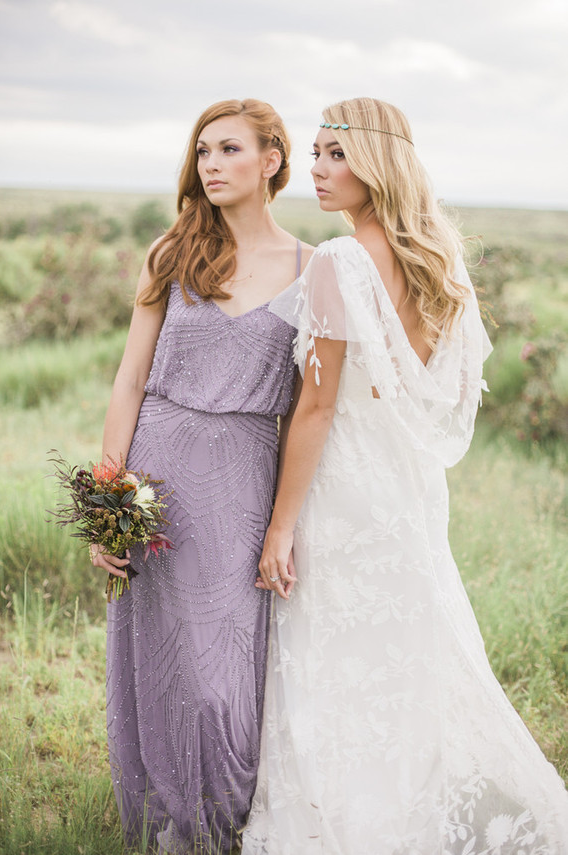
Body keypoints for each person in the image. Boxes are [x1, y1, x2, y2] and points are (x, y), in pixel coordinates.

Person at [242, 97, 568, 854]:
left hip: (340, 496)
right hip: (410, 494)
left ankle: (344, 823)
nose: (318, 171)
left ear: (378, 164)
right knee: (410, 656)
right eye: (316, 153)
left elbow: (316, 409)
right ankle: (411, 813)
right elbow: (453, 396)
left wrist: (281, 525)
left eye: (336, 155)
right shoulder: (439, 259)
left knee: (331, 660)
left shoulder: (339, 260)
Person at [89, 98, 312, 854]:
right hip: (159, 472)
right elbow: (128, 382)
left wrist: (286, 521)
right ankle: (173, 824)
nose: (211, 165)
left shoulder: (313, 268)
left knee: (223, 675)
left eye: (228, 150)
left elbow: (315, 412)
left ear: (272, 160)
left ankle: (226, 818)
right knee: (163, 658)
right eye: (203, 153)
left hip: (246, 480)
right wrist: (108, 503)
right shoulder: (172, 253)